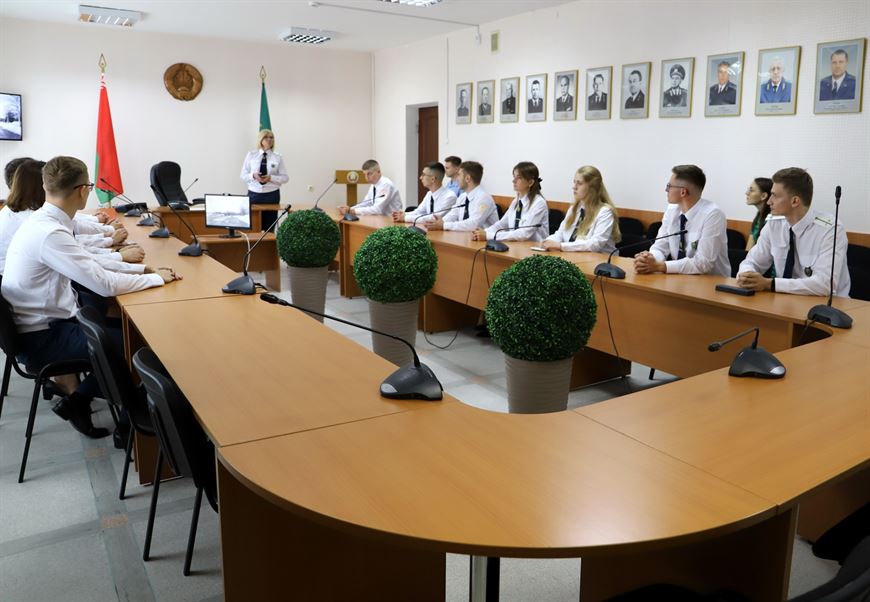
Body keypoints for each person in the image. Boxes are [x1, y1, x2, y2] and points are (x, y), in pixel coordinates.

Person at [1, 156, 181, 438]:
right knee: (145, 348)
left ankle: (80, 402)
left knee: (132, 334)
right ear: (82, 191)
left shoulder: (45, 220)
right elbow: (104, 284)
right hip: (42, 338)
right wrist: (156, 278)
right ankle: (130, 426)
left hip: (48, 325)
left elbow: (87, 260)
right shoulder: (49, 231)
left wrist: (142, 269)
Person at [1, 159, 145, 274]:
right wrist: (116, 251)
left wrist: (108, 240)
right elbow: (80, 258)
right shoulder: (33, 220)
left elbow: (73, 240)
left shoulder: (28, 210)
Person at [737, 168, 850, 297]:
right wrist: (747, 275)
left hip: (826, 305)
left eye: (774, 195)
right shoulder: (774, 224)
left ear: (795, 201)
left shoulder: (830, 230)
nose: (768, 201)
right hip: (783, 301)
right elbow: (751, 262)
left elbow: (824, 284)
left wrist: (771, 284)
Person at [634, 165, 730, 276]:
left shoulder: (713, 214)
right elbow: (660, 247)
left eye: (669, 186)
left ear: (683, 192)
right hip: (679, 277)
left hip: (710, 282)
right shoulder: (672, 209)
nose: (666, 190)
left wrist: (660, 266)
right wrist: (649, 259)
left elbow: (703, 263)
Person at [542, 166, 620, 254]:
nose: (574, 187)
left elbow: (595, 244)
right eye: (574, 182)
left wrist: (561, 246)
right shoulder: (574, 208)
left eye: (579, 183)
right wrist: (547, 242)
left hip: (600, 259)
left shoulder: (605, 212)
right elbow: (560, 234)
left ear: (592, 187)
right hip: (573, 256)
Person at [471, 162, 548, 243]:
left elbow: (523, 234)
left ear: (530, 182)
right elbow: (501, 224)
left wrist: (488, 235)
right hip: (516, 245)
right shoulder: (516, 201)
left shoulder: (539, 203)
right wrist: (482, 232)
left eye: (519, 178)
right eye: (514, 177)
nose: (513, 181)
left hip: (533, 247)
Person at [426, 161, 497, 233]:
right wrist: (439, 222)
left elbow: (474, 224)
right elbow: (453, 215)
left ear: (467, 178)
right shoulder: (463, 197)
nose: (457, 179)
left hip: (485, 239)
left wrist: (444, 225)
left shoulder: (484, 198)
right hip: (465, 236)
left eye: (459, 175)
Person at [240, 129, 288, 231]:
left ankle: (269, 241)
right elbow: (243, 175)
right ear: (260, 140)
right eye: (266, 137)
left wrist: (271, 178)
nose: (269, 139)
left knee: (269, 228)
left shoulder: (277, 157)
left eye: (271, 137)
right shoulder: (251, 155)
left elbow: (285, 178)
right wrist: (253, 175)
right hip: (254, 195)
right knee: (252, 227)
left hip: (271, 195)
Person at [392, 162, 457, 225]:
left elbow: (433, 218)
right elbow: (419, 211)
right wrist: (404, 214)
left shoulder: (450, 197)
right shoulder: (429, 194)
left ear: (433, 179)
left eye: (423, 175)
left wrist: (405, 218)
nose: (420, 178)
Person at [338, 159, 402, 217]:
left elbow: (377, 209)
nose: (366, 177)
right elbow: (366, 203)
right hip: (381, 219)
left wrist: (352, 211)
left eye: (369, 174)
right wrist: (349, 209)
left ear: (378, 171)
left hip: (392, 221)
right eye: (365, 174)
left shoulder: (386, 185)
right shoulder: (373, 185)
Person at [745, 177, 773, 251]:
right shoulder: (758, 217)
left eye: (751, 190)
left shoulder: (771, 220)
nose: (747, 193)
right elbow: (748, 250)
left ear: (763, 196)